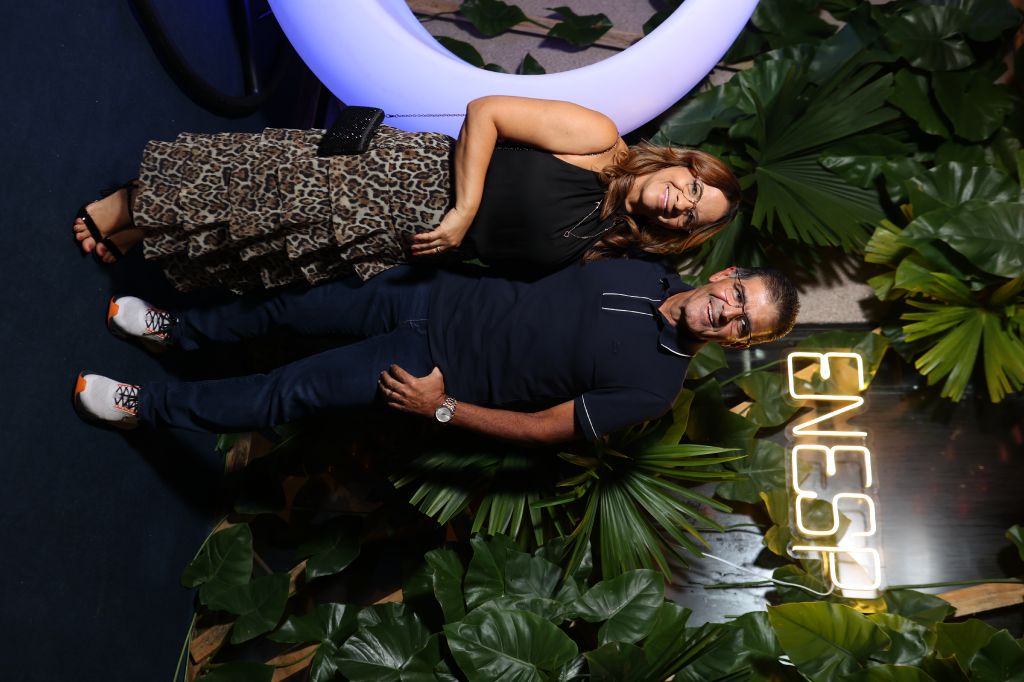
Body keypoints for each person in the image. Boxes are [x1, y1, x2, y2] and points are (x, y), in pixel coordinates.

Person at [73, 259, 798, 443]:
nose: (729, 314)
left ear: (742, 342)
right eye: (739, 297)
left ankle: (149, 406)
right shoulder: (647, 270)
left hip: (430, 370)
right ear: (726, 275)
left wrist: (442, 407)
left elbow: (544, 429)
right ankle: (179, 330)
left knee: (287, 391)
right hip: (431, 293)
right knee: (283, 306)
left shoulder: (656, 387)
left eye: (745, 325)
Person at [72, 96, 741, 291]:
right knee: (266, 186)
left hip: (405, 242)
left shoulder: (607, 242)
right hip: (407, 176)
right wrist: (464, 211)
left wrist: (452, 242)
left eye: (690, 215)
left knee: (272, 236)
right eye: (691, 187)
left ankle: (151, 227)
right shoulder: (598, 138)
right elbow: (487, 113)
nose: (679, 203)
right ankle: (126, 205)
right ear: (682, 163)